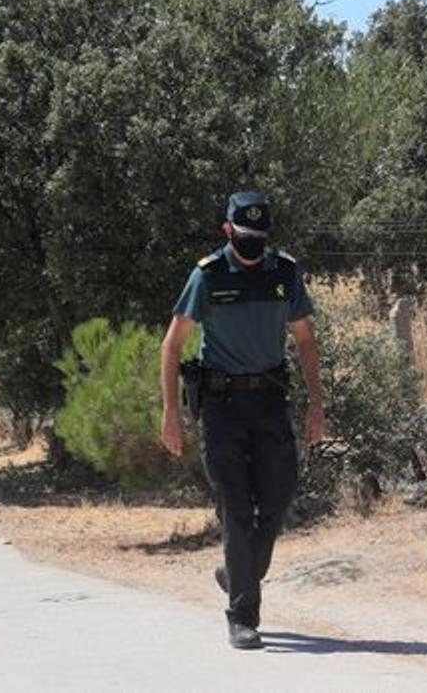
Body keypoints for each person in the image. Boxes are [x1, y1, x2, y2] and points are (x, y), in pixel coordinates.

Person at [160, 191, 325, 650]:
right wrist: (171, 413)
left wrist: (316, 404)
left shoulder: (284, 273)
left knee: (279, 495)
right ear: (227, 231)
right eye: (243, 235)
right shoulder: (207, 275)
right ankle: (242, 615)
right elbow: (172, 345)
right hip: (222, 408)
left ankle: (237, 570)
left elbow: (306, 341)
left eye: (259, 236)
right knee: (235, 506)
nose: (252, 243)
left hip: (270, 402)